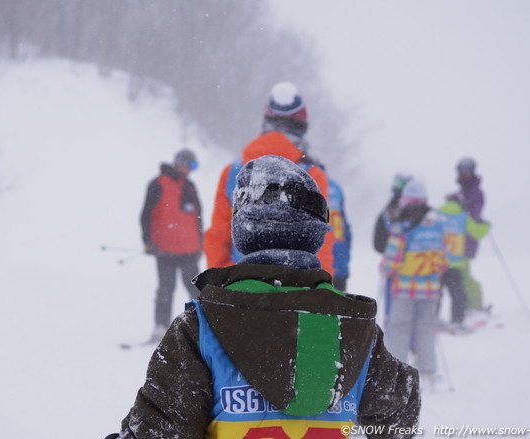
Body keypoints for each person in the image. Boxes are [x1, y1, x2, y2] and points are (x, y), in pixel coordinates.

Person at [113, 155, 420, 439]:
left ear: (243, 230)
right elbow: (399, 419)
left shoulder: (202, 325)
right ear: (315, 232)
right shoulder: (355, 327)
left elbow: (158, 429)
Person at [204, 81, 335, 274]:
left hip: (240, 288)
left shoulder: (232, 172)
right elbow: (321, 244)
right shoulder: (314, 176)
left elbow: (217, 237)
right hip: (297, 290)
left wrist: (223, 286)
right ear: (301, 127)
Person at [379, 179, 447, 389]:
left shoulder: (403, 226)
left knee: (399, 328)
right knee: (426, 328)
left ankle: (398, 374)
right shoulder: (437, 225)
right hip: (430, 289)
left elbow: (392, 261)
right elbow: (443, 261)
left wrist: (385, 270)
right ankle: (428, 373)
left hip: (405, 289)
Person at [140, 148, 203, 342]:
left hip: (189, 250)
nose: (190, 170)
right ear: (179, 162)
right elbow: (146, 214)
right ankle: (160, 327)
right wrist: (147, 241)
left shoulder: (190, 186)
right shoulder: (158, 184)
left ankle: (203, 325)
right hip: (165, 248)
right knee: (166, 288)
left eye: (194, 166)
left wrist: (200, 245)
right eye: (190, 164)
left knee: (196, 289)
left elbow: (198, 219)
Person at [439, 197, 491, 332]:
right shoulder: (462, 218)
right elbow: (477, 233)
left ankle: (433, 319)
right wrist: (486, 225)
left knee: (436, 293)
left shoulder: (438, 215)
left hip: (438, 263)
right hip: (455, 264)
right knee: (458, 295)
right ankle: (456, 322)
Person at [447, 157, 487, 311]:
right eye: (461, 172)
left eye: (466, 172)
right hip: (455, 240)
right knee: (460, 277)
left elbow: (474, 214)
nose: (463, 175)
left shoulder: (475, 192)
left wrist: (463, 206)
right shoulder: (462, 191)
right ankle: (468, 306)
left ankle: (475, 306)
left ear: (472, 172)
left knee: (464, 278)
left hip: (466, 240)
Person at [373, 173, 412, 254]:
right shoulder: (423, 213)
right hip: (422, 261)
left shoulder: (386, 213)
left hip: (394, 261)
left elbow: (379, 245)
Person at [328, 176, 353, 291]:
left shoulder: (300, 180)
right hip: (338, 262)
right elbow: (346, 231)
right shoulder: (334, 187)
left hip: (314, 268)